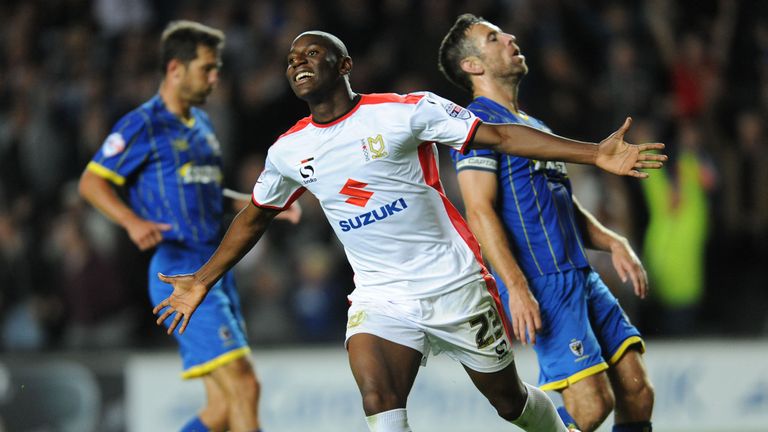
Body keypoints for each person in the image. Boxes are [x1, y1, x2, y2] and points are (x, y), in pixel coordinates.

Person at [153, 30, 665, 432]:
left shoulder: (405, 111)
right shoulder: (289, 150)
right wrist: (202, 279)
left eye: (312, 54)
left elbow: (502, 136)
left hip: (454, 284)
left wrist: (594, 154)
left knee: (510, 403)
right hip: (381, 295)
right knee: (378, 398)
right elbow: (255, 215)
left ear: (344, 66)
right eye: (291, 59)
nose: (298, 63)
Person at [78, 20, 299, 432]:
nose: (215, 77)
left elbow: (210, 194)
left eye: (216, 68)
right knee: (245, 386)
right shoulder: (142, 124)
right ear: (175, 69)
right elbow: (91, 181)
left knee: (220, 407)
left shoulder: (203, 127)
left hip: (214, 268)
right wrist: (130, 220)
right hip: (179, 269)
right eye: (207, 68)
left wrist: (265, 205)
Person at [438, 14, 655, 432]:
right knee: (591, 406)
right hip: (541, 282)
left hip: (580, 273)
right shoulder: (476, 128)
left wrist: (612, 241)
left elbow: (562, 204)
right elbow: (479, 211)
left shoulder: (533, 127)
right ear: (472, 65)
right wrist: (516, 287)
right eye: (493, 37)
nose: (510, 38)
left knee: (637, 391)